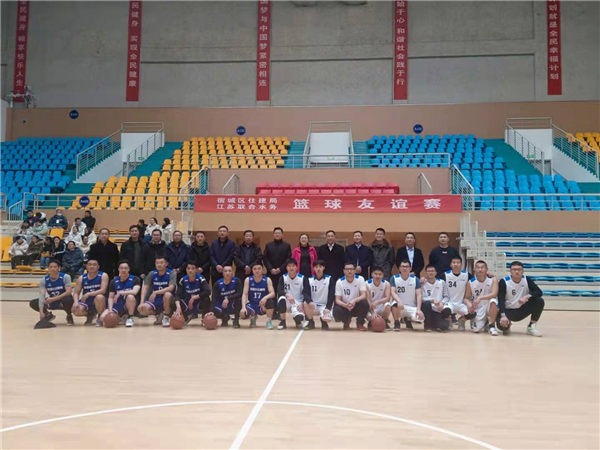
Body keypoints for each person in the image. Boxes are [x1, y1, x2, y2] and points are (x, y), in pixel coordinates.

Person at [497, 261, 544, 337]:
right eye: (514, 269)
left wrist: (527, 296)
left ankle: (531, 326)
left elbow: (539, 292)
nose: (516, 271)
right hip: (508, 310)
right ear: (510, 271)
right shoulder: (504, 281)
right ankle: (508, 324)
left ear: (523, 271)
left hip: (521, 309)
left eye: (519, 269)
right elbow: (501, 299)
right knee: (502, 327)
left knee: (539, 301)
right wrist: (503, 315)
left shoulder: (526, 279)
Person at [29, 259, 74, 326]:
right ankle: (48, 315)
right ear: (48, 268)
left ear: (59, 268)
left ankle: (69, 316)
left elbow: (68, 292)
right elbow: (42, 295)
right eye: (51, 267)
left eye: (55, 267)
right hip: (52, 301)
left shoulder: (65, 277)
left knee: (67, 300)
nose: (53, 269)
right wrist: (41, 312)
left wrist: (53, 299)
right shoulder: (44, 280)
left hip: (63, 300)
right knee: (34, 303)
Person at [100, 260, 141, 328]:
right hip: (117, 304)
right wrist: (110, 310)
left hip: (128, 304)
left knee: (130, 296)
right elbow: (111, 297)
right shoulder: (114, 281)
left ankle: (130, 317)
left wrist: (120, 292)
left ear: (129, 269)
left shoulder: (135, 279)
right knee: (103, 318)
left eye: (125, 268)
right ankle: (120, 318)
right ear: (118, 269)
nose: (123, 270)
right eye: (121, 268)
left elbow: (135, 291)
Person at [275, 258, 313, 330]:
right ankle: (282, 322)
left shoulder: (302, 278)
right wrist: (287, 295)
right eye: (289, 266)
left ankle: (297, 321)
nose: (291, 268)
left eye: (293, 266)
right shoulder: (283, 277)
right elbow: (279, 291)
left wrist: (302, 303)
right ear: (286, 268)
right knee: (281, 299)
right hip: (287, 301)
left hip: (298, 302)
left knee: (299, 318)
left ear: (297, 267)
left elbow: (306, 292)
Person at [138, 256, 177, 327]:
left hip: (170, 299)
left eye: (161, 263)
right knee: (142, 309)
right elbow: (145, 288)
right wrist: (141, 302)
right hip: (157, 299)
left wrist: (156, 292)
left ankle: (166, 316)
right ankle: (159, 314)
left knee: (167, 294)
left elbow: (171, 288)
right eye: (157, 263)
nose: (159, 265)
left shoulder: (171, 273)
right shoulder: (152, 273)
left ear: (166, 264)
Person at [440, 256, 475, 331]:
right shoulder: (445, 275)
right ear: (450, 264)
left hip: (462, 303)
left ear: (461, 264)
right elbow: (435, 281)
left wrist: (488, 275)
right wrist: (425, 279)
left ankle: (462, 321)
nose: (456, 264)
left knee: (473, 312)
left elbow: (476, 280)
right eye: (454, 262)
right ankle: (449, 321)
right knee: (445, 311)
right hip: (449, 303)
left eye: (458, 263)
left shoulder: (466, 274)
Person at [172, 261, 212, 325]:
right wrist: (178, 307)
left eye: (193, 268)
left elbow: (208, 291)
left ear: (196, 270)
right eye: (188, 268)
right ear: (186, 269)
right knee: (173, 302)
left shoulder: (201, 278)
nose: (190, 270)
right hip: (187, 303)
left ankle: (204, 319)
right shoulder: (183, 280)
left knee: (206, 299)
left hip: (198, 302)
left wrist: (194, 297)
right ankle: (185, 318)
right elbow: (178, 295)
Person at [71, 258, 109, 326]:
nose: (92, 266)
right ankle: (90, 315)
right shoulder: (82, 278)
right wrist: (75, 302)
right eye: (90, 265)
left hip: (99, 300)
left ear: (98, 267)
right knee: (75, 310)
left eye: (94, 265)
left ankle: (100, 317)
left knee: (99, 297)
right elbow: (76, 293)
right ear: (86, 266)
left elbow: (103, 290)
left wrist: (89, 294)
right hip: (87, 301)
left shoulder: (103, 275)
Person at [390, 260, 425, 330]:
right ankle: (397, 322)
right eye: (402, 266)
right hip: (400, 306)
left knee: (420, 318)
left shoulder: (415, 279)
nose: (404, 268)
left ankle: (408, 319)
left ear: (410, 268)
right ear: (399, 268)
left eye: (406, 266)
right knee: (394, 304)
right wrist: (399, 301)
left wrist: (418, 309)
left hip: (412, 307)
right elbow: (392, 292)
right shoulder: (394, 278)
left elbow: (419, 294)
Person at [333, 262, 369, 331]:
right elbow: (337, 300)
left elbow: (364, 295)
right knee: (337, 310)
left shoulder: (360, 279)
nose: (349, 271)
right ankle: (346, 321)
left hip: (356, 304)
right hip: (345, 305)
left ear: (355, 270)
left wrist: (354, 301)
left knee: (365, 303)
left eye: (351, 269)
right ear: (344, 271)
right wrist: (346, 305)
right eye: (347, 269)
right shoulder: (339, 282)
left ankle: (360, 323)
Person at [241, 262, 276, 329]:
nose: (257, 271)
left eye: (259, 269)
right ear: (252, 270)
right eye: (255, 269)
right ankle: (253, 318)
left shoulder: (267, 280)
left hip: (262, 305)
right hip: (252, 305)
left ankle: (269, 321)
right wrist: (243, 307)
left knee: (270, 301)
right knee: (242, 315)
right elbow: (244, 294)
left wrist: (265, 298)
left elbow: (273, 293)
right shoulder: (248, 280)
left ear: (262, 270)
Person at [469, 260, 499, 336]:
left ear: (487, 269)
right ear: (474, 269)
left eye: (482, 267)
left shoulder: (493, 279)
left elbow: (494, 294)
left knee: (493, 301)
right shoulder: (470, 282)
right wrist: (470, 305)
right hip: (478, 307)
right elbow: (466, 297)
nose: (480, 269)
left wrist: (480, 298)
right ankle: (486, 322)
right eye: (478, 267)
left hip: (489, 305)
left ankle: (492, 325)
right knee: (475, 329)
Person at [367, 266, 400, 331]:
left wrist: (378, 302)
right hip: (370, 307)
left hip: (380, 306)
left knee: (388, 305)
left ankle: (385, 321)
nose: (377, 276)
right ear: (372, 274)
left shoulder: (386, 283)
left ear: (383, 275)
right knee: (371, 318)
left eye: (380, 274)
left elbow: (387, 298)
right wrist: (373, 312)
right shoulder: (367, 284)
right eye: (375, 274)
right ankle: (371, 323)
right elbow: (367, 299)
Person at [263, 227, 292, 298]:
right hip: (270, 272)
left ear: (282, 235)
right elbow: (265, 258)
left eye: (279, 233)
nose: (277, 235)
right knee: (270, 291)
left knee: (282, 291)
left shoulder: (287, 245)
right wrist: (271, 268)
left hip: (283, 272)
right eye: (276, 233)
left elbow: (288, 259)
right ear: (273, 235)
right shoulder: (268, 245)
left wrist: (280, 268)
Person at [420, 264, 450, 332]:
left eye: (432, 271)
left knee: (444, 326)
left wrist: (442, 303)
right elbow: (422, 298)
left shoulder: (441, 282)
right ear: (426, 272)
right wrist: (432, 300)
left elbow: (446, 296)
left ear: (436, 272)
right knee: (426, 304)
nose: (430, 273)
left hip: (438, 309)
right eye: (429, 271)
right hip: (428, 308)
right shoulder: (422, 283)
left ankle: (436, 323)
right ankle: (427, 325)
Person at [308, 259, 336, 330]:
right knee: (305, 303)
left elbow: (331, 294)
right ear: (313, 268)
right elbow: (306, 293)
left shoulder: (329, 279)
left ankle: (323, 321)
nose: (318, 269)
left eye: (320, 267)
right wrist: (310, 302)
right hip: (313, 305)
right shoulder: (309, 279)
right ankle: (311, 322)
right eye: (316, 267)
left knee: (327, 319)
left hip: (324, 305)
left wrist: (328, 307)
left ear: (323, 268)